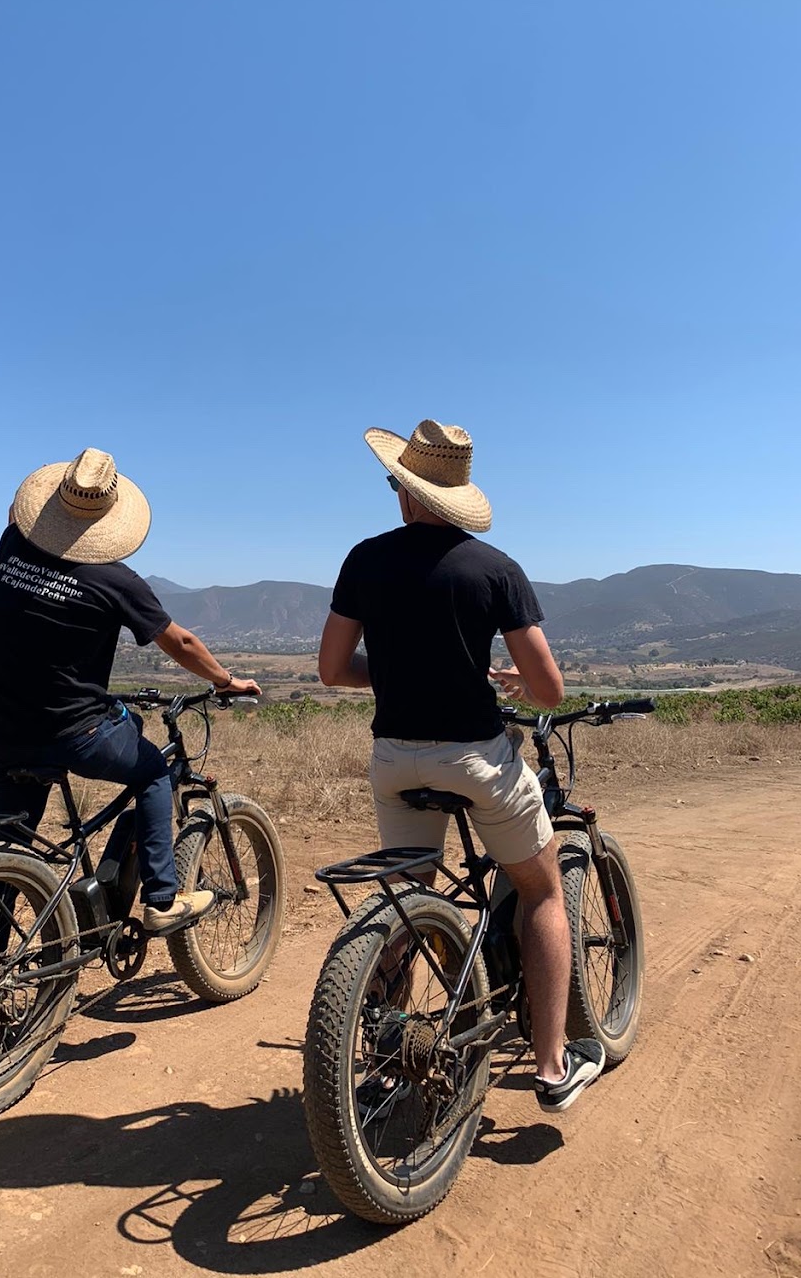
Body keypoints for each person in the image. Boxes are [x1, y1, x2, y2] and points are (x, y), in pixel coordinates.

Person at [318, 419, 604, 1113]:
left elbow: (331, 669)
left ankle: (385, 1056)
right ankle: (549, 1064)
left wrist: (392, 674)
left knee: (406, 896)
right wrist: (502, 682)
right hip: (476, 758)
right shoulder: (494, 568)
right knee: (539, 890)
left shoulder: (365, 559)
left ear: (409, 493)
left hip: (395, 760)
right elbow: (551, 689)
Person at [0, 446, 260, 937]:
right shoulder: (115, 579)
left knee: (8, 848)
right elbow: (182, 642)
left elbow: (14, 515)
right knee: (152, 771)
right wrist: (225, 681)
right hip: (74, 734)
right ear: (109, 517)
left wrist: (47, 510)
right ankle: (162, 900)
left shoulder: (11, 545)